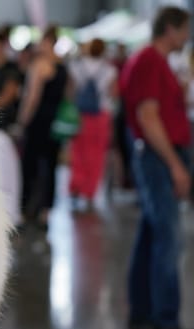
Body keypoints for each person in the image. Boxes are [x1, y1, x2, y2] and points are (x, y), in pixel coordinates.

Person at [121, 6, 193, 329]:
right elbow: (148, 117)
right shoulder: (150, 60)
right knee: (169, 239)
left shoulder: (153, 61)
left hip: (157, 157)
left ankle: (142, 315)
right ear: (171, 29)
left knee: (151, 238)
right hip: (157, 159)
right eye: (185, 30)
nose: (188, 36)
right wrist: (175, 165)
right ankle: (165, 321)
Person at [16, 25, 68, 229]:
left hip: (38, 122)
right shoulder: (63, 65)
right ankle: (46, 210)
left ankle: (27, 207)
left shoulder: (40, 65)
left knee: (30, 164)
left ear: (48, 41)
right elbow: (68, 94)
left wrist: (22, 121)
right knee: (52, 165)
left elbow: (32, 97)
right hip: (55, 122)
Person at [68, 38, 117, 210]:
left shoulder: (76, 67)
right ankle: (90, 192)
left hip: (79, 114)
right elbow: (113, 93)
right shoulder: (109, 70)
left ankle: (76, 187)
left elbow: (71, 92)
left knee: (78, 152)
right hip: (101, 115)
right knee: (96, 155)